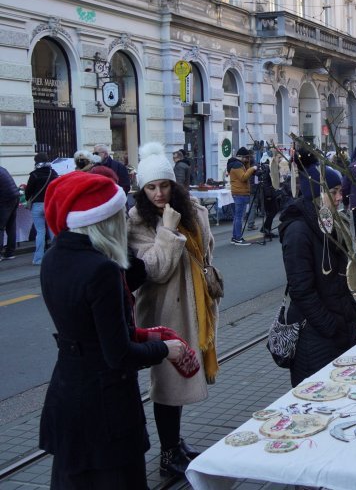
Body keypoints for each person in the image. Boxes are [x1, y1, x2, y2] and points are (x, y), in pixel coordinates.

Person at [39, 171, 184, 488]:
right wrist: (164, 349)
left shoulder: (52, 258)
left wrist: (147, 335)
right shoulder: (101, 269)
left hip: (67, 393)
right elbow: (117, 354)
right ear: (104, 220)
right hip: (105, 407)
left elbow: (88, 332)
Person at [128, 142, 219, 476]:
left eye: (164, 185)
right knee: (168, 381)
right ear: (142, 189)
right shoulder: (138, 221)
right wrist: (166, 230)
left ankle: (176, 442)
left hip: (193, 304)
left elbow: (206, 251)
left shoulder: (190, 209)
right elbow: (155, 269)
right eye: (151, 187)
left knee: (181, 377)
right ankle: (168, 455)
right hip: (164, 311)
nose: (158, 193)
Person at [280, 151, 356, 387]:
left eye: (340, 192)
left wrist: (351, 312)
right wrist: (330, 326)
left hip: (337, 330)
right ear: (317, 193)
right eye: (334, 192)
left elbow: (339, 279)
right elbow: (302, 290)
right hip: (315, 336)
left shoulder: (331, 224)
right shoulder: (298, 231)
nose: (339, 198)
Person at [25, 152, 58, 266]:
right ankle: (56, 256)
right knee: (53, 231)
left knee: (40, 232)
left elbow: (28, 191)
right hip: (50, 204)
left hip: (37, 205)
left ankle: (38, 259)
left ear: (36, 162)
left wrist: (28, 198)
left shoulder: (34, 175)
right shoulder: (53, 173)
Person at [227, 147, 256, 245]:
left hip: (238, 193)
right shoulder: (237, 165)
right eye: (246, 158)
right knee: (239, 217)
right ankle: (238, 238)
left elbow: (244, 173)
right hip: (240, 193)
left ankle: (235, 237)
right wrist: (252, 168)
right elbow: (243, 177)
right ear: (242, 157)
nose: (248, 159)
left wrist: (247, 165)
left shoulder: (235, 164)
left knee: (237, 216)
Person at [0, 166, 18, 261]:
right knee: (11, 226)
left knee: (0, 227)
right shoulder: (2, 169)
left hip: (5, 200)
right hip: (14, 197)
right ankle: (10, 252)